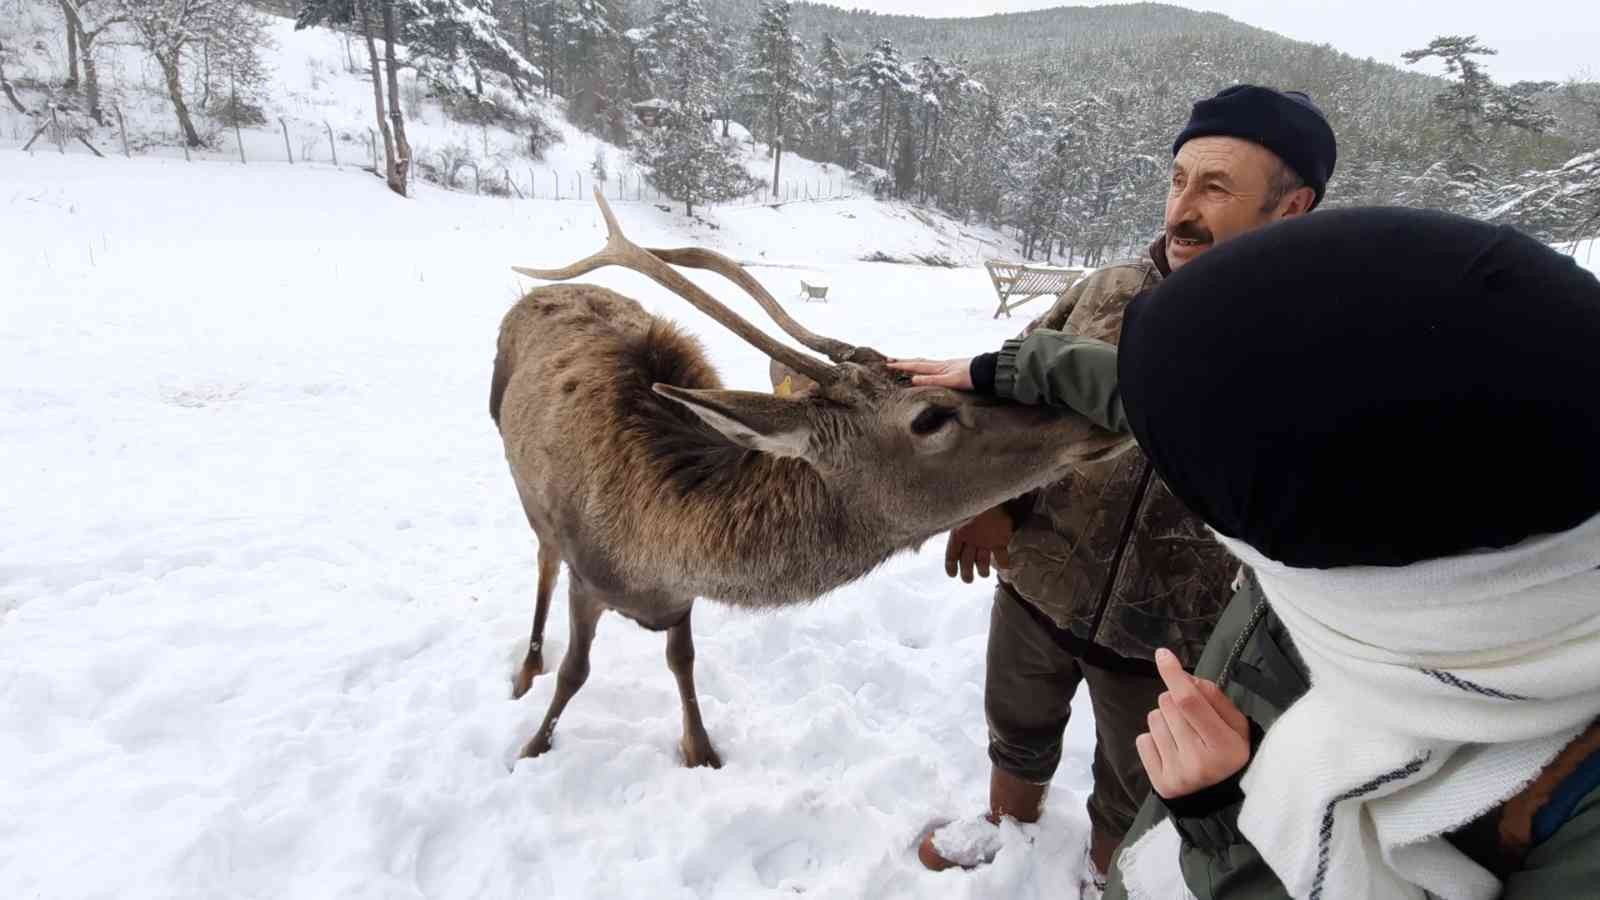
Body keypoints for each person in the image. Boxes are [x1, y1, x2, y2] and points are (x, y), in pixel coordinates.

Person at [900, 205, 1600, 900]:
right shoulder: (1385, 529)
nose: (1183, 205)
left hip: (1181, 741)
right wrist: (1014, 369)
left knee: (1126, 775)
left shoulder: (1571, 800)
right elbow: (1179, 397)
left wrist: (1222, 820)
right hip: (1124, 682)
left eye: (1213, 489)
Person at [895, 84, 1338, 894]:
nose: (1183, 211)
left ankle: (1110, 872)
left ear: (1291, 206)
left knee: (1139, 776)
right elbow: (1005, 392)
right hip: (1043, 577)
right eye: (1178, 180)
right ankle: (1007, 823)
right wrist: (989, 505)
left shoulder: (1309, 344)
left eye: (1216, 188)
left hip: (1174, 633)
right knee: (1017, 722)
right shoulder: (1107, 290)